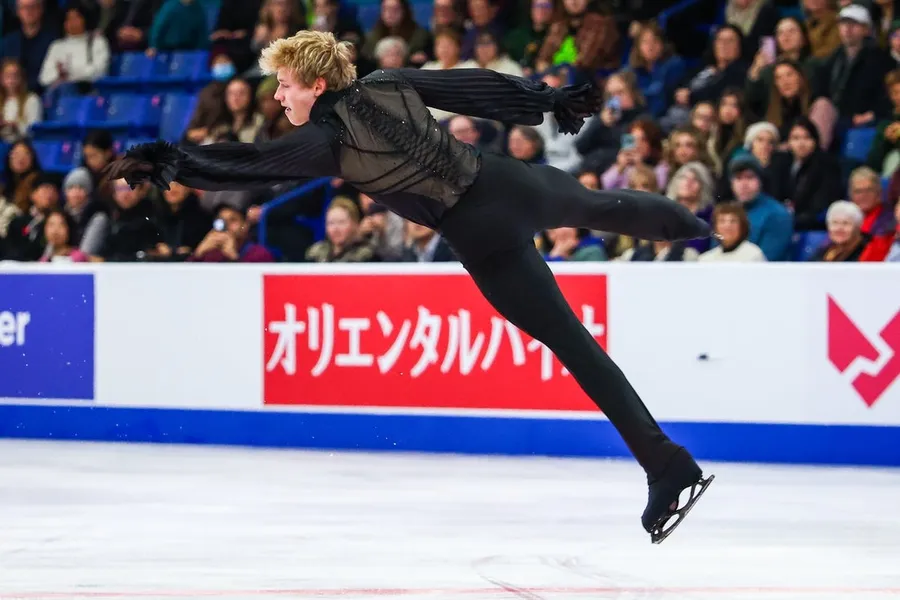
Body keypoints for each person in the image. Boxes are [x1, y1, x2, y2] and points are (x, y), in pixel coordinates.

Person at [104, 30, 715, 544]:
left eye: (285, 83)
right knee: (608, 206)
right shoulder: (385, 83)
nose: (278, 94)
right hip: (508, 185)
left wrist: (172, 162)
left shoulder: (325, 140)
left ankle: (666, 464)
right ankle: (702, 232)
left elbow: (252, 163)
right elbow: (471, 85)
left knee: (576, 346)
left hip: (479, 234)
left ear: (316, 85)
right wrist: (547, 99)